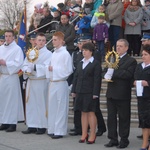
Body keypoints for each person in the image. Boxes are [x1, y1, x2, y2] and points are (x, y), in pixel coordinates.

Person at [104, 39, 137, 148]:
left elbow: (127, 74)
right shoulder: (111, 58)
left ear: (126, 48)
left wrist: (113, 71)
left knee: (123, 118)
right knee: (111, 118)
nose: (118, 48)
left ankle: (124, 140)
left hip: (123, 94)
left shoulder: (131, 61)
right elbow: (104, 71)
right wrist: (108, 72)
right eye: (117, 46)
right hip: (111, 93)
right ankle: (112, 139)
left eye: (121, 46)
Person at [21, 33, 52, 134]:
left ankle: (42, 125)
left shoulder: (48, 54)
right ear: (35, 41)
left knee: (41, 103)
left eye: (43, 40)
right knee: (31, 103)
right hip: (31, 81)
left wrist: (34, 67)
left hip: (40, 81)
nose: (41, 42)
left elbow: (47, 67)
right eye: (39, 40)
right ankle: (32, 125)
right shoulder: (31, 52)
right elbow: (25, 64)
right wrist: (26, 70)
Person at [71, 42, 101, 144]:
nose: (84, 52)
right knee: (83, 112)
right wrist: (74, 90)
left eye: (86, 50)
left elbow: (97, 79)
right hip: (80, 91)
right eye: (83, 50)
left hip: (90, 91)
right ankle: (84, 133)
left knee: (91, 113)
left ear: (91, 52)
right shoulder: (80, 62)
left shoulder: (95, 63)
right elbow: (76, 77)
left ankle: (93, 133)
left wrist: (95, 93)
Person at [47, 31, 73, 139]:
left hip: (61, 82)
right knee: (52, 106)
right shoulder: (53, 53)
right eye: (53, 39)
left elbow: (68, 70)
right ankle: (52, 128)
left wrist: (55, 69)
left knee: (60, 107)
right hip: (53, 82)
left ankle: (59, 131)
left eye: (55, 39)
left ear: (62, 41)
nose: (53, 41)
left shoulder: (65, 54)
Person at [0, 30, 24, 132]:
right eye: (6, 36)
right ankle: (4, 122)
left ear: (13, 37)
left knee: (12, 100)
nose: (8, 38)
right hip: (3, 76)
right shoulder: (1, 48)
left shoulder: (17, 49)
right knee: (3, 100)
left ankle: (12, 123)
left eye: (10, 36)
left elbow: (19, 63)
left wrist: (6, 63)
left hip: (11, 76)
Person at [134, 44, 150, 150]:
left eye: (146, 54)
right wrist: (135, 82)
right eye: (142, 54)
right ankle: (144, 143)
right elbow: (134, 77)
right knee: (144, 122)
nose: (143, 56)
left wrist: (148, 83)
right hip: (142, 97)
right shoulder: (139, 66)